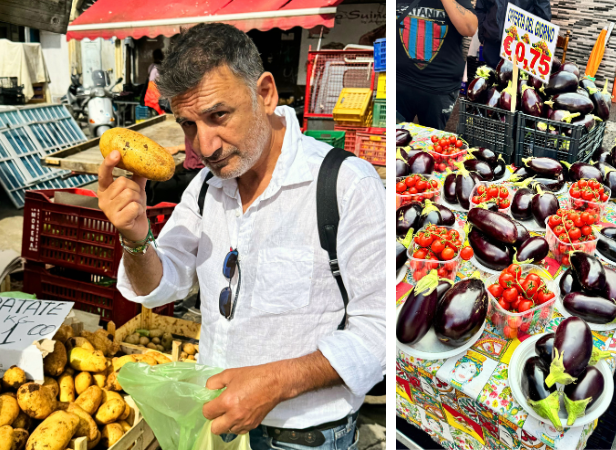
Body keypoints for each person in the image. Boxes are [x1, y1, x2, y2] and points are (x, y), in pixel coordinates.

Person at [97, 23, 385, 450]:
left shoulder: (347, 185)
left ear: (265, 93)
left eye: (218, 116)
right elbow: (157, 288)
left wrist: (275, 384)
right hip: (217, 423)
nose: (205, 146)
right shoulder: (204, 188)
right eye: (189, 124)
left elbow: (378, 332)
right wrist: (135, 237)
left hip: (304, 437)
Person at [396, 0, 478, 129]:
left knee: (435, 144)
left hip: (440, 86)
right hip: (400, 82)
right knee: (394, 142)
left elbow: (469, 29)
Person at [475, 0, 551, 69]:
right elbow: (480, 8)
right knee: (490, 82)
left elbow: (543, 16)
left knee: (521, 83)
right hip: (492, 46)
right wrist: (483, 36)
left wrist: (535, 45)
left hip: (521, 48)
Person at [145, 137, 205, 205]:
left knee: (159, 188)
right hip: (190, 170)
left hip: (198, 172)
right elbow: (193, 142)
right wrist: (178, 148)